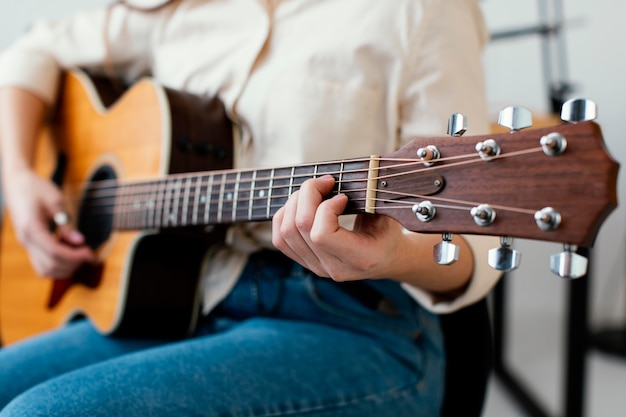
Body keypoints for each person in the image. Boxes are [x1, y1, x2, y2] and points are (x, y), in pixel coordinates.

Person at [0, 0, 500, 415]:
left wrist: (393, 257)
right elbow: (33, 50)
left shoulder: (424, 10)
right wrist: (21, 180)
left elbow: (472, 238)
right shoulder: (178, 9)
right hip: (186, 298)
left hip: (347, 318)